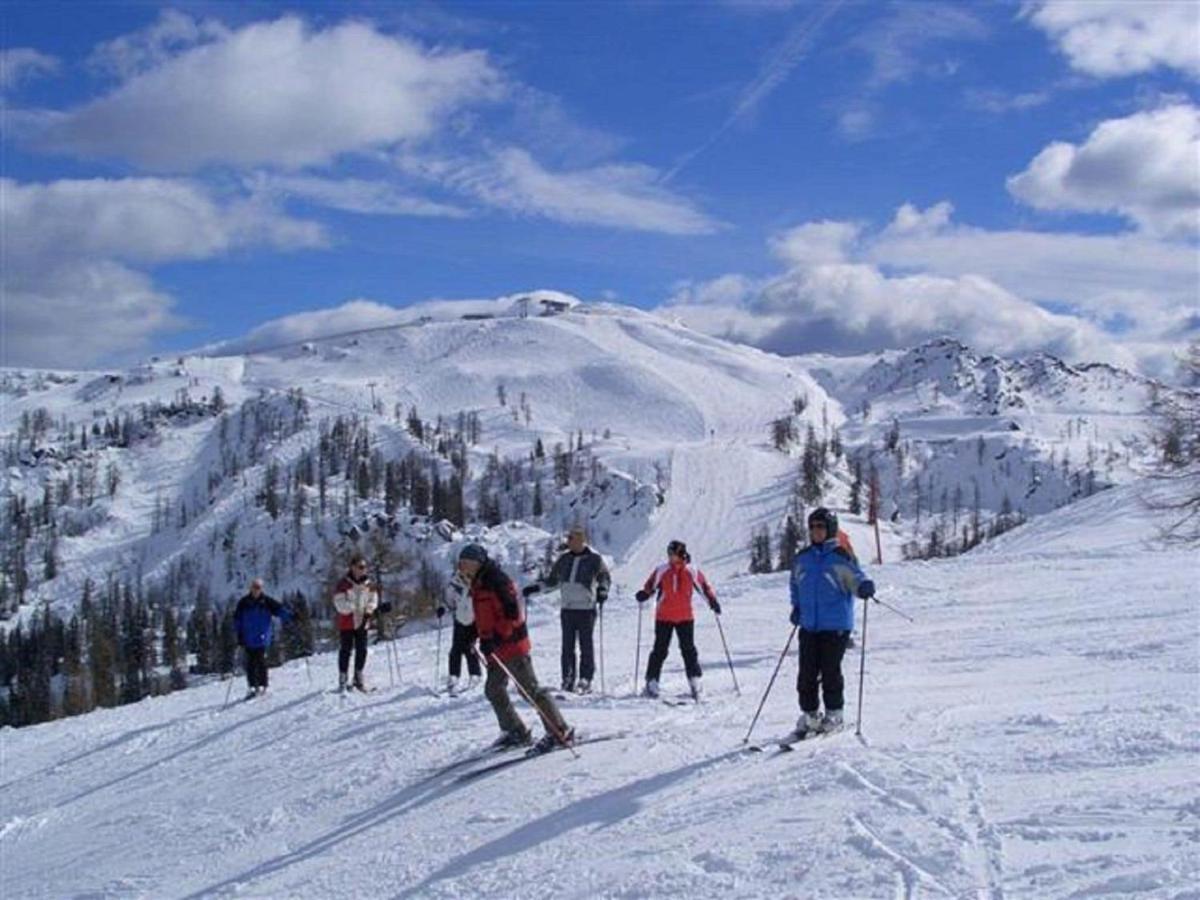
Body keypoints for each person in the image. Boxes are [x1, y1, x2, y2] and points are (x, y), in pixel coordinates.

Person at [458, 543, 573, 754]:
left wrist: (495, 637)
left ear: (476, 562)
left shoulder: (496, 581)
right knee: (493, 690)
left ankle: (559, 730)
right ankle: (516, 731)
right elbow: (485, 615)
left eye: (465, 562)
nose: (461, 567)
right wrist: (473, 634)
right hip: (495, 650)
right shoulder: (478, 583)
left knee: (530, 690)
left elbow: (511, 614)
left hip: (511, 646)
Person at [788, 507, 875, 735]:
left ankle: (834, 714)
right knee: (806, 673)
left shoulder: (840, 556)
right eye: (812, 527)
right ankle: (810, 715)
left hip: (835, 626)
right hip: (809, 625)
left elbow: (855, 577)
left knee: (830, 671)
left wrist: (863, 587)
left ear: (830, 529)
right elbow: (795, 586)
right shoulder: (802, 558)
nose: (816, 531)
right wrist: (796, 608)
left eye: (821, 527)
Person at [522, 526, 611, 693]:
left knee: (586, 645)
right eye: (568, 538)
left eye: (571, 538)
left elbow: (604, 577)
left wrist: (602, 590)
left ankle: (585, 679)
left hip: (586, 609)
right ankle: (567, 679)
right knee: (567, 646)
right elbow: (552, 581)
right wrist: (536, 588)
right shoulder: (564, 560)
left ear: (581, 539)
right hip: (568, 608)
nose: (568, 541)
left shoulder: (594, 559)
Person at [635, 539, 720, 700]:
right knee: (660, 650)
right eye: (669, 554)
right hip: (664, 617)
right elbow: (650, 585)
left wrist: (712, 601)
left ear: (681, 554)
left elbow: (704, 587)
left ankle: (695, 680)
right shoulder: (662, 570)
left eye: (672, 554)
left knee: (688, 650)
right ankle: (652, 681)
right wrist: (644, 594)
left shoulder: (692, 571)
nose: (670, 557)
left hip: (685, 617)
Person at [233, 578, 293, 699]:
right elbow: (237, 620)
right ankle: (251, 686)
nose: (256, 590)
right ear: (251, 588)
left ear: (261, 589)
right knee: (250, 663)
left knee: (260, 661)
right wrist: (239, 635)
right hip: (248, 637)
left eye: (259, 587)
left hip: (262, 637)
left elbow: (280, 610)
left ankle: (261, 685)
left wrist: (292, 616)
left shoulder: (267, 602)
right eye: (255, 587)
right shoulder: (243, 603)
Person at [332, 554, 379, 692]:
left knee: (362, 650)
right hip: (347, 622)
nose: (363, 570)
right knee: (345, 650)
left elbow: (373, 599)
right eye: (360, 567)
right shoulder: (343, 584)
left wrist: (369, 610)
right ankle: (343, 678)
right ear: (352, 567)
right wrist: (355, 608)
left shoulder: (369, 584)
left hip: (363, 621)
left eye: (364, 567)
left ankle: (358, 677)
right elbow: (339, 604)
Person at [438, 571, 482, 694]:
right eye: (462, 575)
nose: (465, 578)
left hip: (474, 620)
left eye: (467, 575)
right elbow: (449, 602)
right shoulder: (454, 585)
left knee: (470, 648)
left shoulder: (477, 584)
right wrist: (443, 608)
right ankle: (454, 676)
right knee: (455, 649)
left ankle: (475, 674)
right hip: (459, 620)